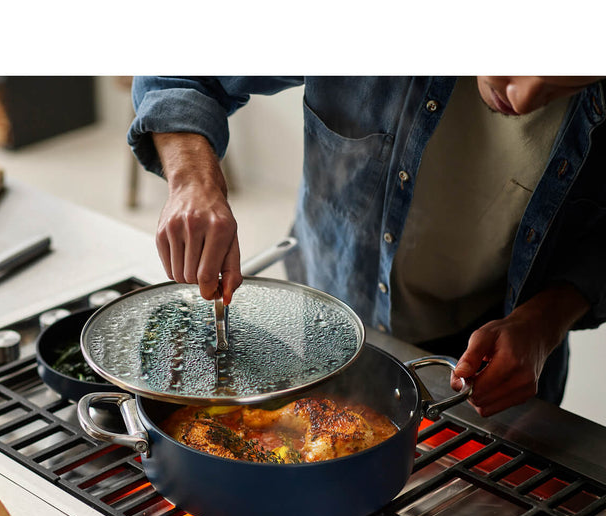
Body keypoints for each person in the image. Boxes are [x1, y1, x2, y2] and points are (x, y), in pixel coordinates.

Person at [127, 76, 606, 417]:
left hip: (502, 372)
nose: (523, 97)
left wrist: (544, 323)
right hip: (321, 329)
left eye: (562, 84)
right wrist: (193, 181)